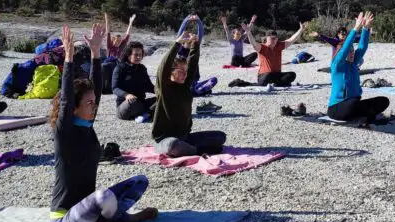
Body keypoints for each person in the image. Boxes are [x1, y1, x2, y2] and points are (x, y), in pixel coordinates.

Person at [50, 23, 157, 222]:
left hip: (90, 206)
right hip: (65, 217)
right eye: (88, 103)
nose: (94, 106)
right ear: (74, 108)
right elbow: (66, 98)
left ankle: (104, 220)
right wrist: (69, 59)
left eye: (94, 103)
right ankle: (118, 220)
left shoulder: (86, 127)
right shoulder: (65, 132)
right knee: (102, 198)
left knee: (140, 181)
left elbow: (96, 88)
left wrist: (96, 52)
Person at [151, 28, 226, 157]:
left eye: (185, 72)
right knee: (172, 146)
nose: (184, 75)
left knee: (221, 137)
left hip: (184, 136)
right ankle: (198, 151)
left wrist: (195, 44)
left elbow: (193, 63)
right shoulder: (164, 87)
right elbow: (163, 68)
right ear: (171, 73)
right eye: (180, 72)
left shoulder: (185, 85)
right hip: (164, 139)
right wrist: (177, 44)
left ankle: (188, 148)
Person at [327, 12, 389, 124]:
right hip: (337, 108)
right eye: (349, 51)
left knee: (383, 101)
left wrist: (365, 28)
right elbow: (345, 48)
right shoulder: (337, 65)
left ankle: (361, 114)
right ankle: (364, 114)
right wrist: (356, 28)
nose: (351, 53)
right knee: (354, 103)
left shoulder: (353, 64)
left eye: (352, 51)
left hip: (353, 103)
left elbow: (362, 47)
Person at [230, 17, 306, 88]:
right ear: (267, 38)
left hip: (276, 75)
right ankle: (240, 83)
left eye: (276, 38)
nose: (275, 40)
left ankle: (278, 84)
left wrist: (301, 30)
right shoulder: (262, 47)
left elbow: (292, 39)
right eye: (272, 38)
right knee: (267, 77)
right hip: (264, 75)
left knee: (292, 75)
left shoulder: (279, 46)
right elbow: (253, 42)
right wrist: (249, 33)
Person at [111, 41, 156, 121]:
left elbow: (149, 87)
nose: (138, 57)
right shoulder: (120, 68)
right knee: (132, 101)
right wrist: (126, 95)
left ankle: (146, 114)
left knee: (161, 99)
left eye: (140, 55)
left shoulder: (142, 69)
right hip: (126, 105)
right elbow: (115, 88)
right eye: (135, 55)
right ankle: (147, 113)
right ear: (128, 54)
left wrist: (160, 92)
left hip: (141, 103)